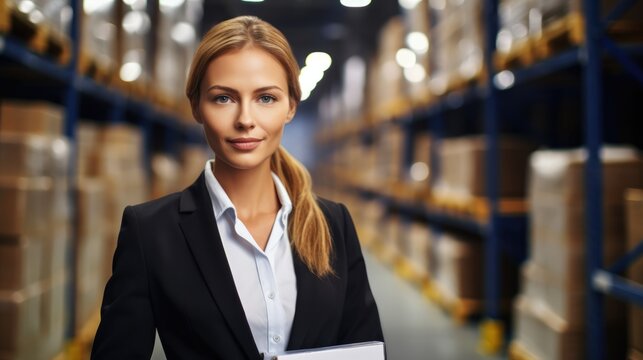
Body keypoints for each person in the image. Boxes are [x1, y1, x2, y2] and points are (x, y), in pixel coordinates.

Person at [91, 15, 383, 360]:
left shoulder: (334, 224)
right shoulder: (151, 232)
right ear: (196, 107)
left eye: (266, 99)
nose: (245, 119)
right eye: (224, 99)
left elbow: (364, 350)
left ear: (291, 106)